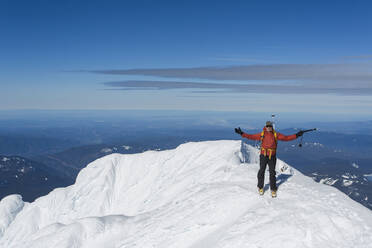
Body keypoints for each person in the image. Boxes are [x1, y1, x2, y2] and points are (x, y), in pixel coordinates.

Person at [235, 121, 304, 197]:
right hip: (263, 155)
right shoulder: (262, 134)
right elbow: (251, 136)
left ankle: (273, 189)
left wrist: (297, 135)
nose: (268, 128)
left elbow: (286, 138)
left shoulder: (275, 134)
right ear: (265, 126)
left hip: (272, 156)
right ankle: (260, 187)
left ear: (272, 127)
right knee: (261, 171)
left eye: (270, 126)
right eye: (267, 126)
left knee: (272, 173)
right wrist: (241, 133)